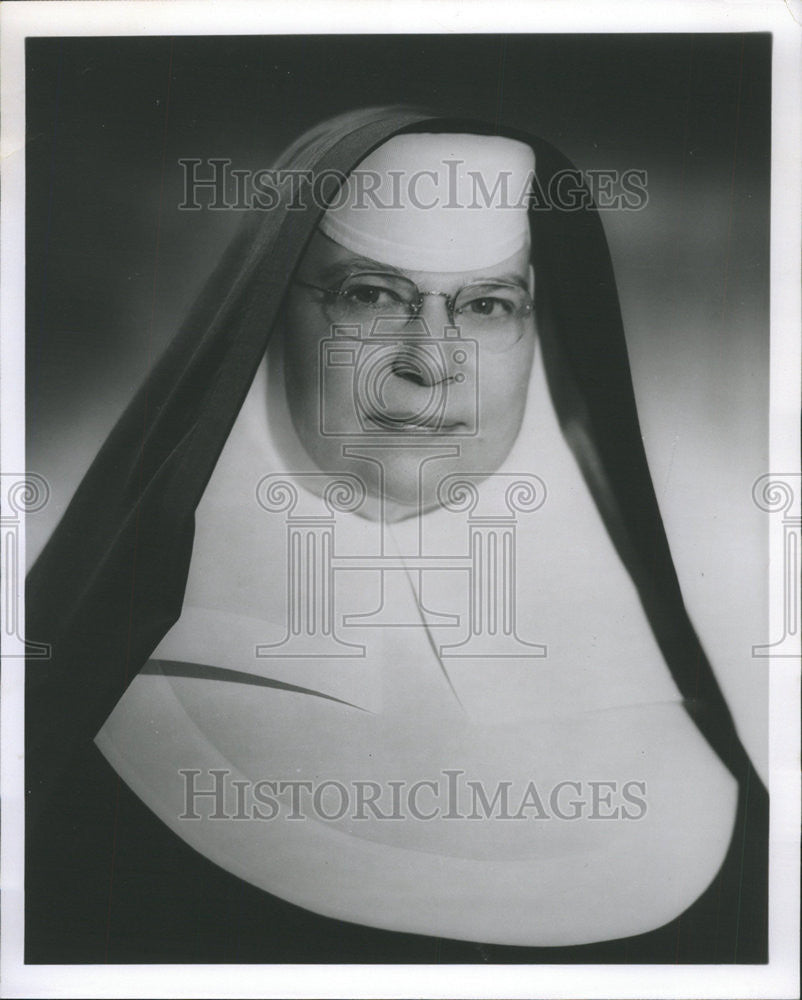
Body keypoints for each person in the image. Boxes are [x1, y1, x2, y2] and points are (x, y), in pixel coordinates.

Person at [25, 107, 768, 963]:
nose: (430, 360)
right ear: (269, 316)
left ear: (537, 337)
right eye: (371, 295)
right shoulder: (76, 711)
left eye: (490, 304)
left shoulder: (679, 712)